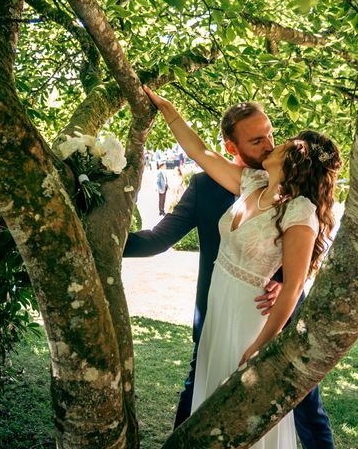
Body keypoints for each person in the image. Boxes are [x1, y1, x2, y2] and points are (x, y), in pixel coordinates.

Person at [125, 86, 339, 448]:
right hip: (218, 309)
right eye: (261, 140)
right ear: (234, 146)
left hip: (258, 317)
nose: (271, 145)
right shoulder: (249, 182)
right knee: (205, 393)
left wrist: (264, 339)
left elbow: (298, 273)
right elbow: (198, 152)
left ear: (294, 162)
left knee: (285, 410)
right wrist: (169, 111)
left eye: (277, 140)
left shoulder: (299, 208)